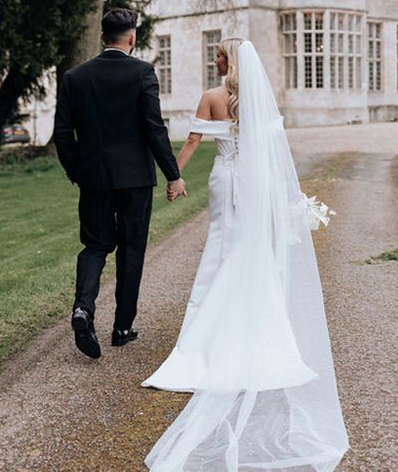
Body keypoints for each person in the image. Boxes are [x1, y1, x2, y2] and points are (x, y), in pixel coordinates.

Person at [143, 38, 348, 471]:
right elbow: (273, 151)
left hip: (225, 177)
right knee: (247, 248)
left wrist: (174, 175)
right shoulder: (256, 97)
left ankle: (209, 330)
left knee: (222, 247)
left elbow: (196, 139)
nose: (213, 60)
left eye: (217, 55)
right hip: (253, 182)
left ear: (228, 62)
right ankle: (251, 317)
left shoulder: (211, 97)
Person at [54, 8, 186, 359]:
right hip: (135, 180)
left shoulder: (75, 77)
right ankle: (122, 327)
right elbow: (154, 128)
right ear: (132, 38)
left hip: (94, 177)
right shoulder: (143, 72)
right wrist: (173, 174)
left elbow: (63, 134)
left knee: (95, 245)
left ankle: (83, 308)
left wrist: (77, 171)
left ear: (102, 37)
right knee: (131, 249)